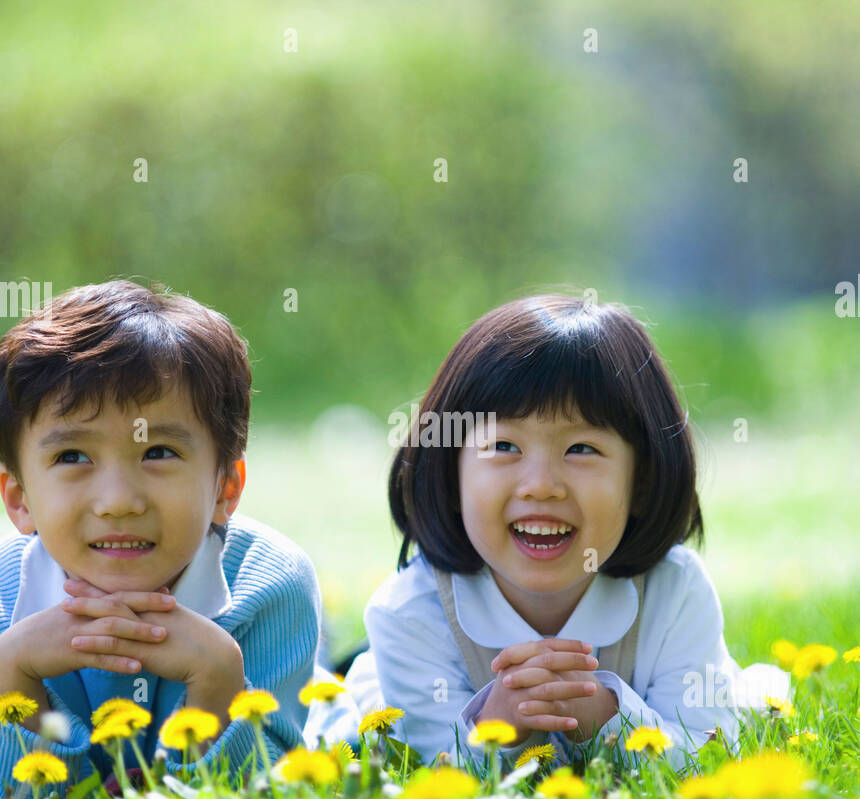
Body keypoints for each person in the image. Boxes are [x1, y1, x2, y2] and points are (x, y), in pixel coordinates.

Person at [306, 293, 789, 770]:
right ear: (450, 475)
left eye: (581, 448)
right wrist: (495, 730)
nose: (541, 486)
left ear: (642, 482)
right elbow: (437, 775)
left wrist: (606, 716)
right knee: (341, 722)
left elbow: (700, 757)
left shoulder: (675, 591)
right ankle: (320, 647)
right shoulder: (410, 614)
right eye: (503, 445)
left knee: (751, 706)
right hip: (382, 678)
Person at [0, 280, 328, 799]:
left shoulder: (272, 586)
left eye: (159, 452)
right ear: (20, 499)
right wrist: (15, 679)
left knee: (338, 717)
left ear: (225, 487)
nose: (119, 502)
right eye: (73, 457)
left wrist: (218, 685)